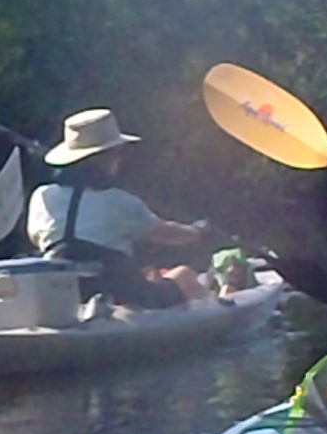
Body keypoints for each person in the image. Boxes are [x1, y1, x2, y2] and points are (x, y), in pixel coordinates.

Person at [25, 108, 207, 308]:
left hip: (62, 297)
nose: (120, 159)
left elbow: (38, 238)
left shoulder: (42, 196)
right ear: (107, 159)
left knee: (148, 272)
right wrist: (196, 231)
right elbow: (166, 234)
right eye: (118, 153)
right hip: (119, 295)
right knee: (185, 275)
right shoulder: (121, 201)